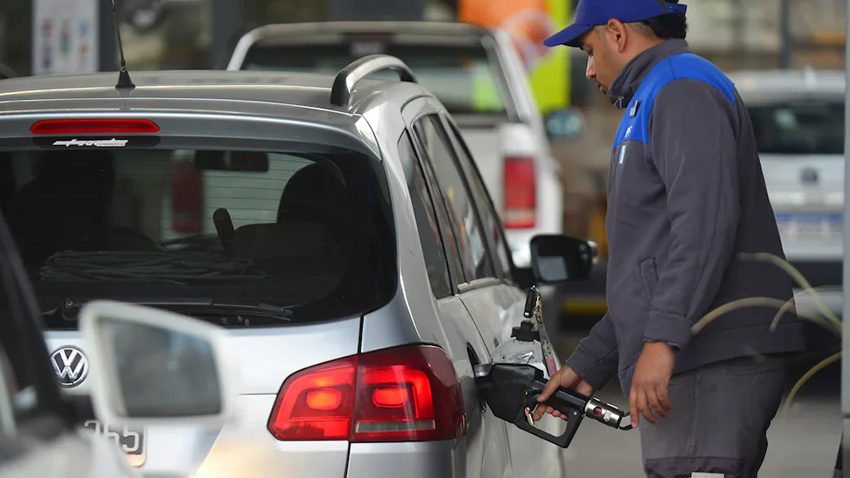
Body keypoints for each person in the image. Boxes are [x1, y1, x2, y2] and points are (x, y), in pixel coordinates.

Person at [532, 1, 805, 476]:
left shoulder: (681, 89)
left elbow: (704, 226)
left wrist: (661, 341)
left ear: (617, 32)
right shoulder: (658, 91)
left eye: (589, 50)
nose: (590, 70)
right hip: (697, 358)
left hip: (710, 360)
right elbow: (650, 268)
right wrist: (591, 362)